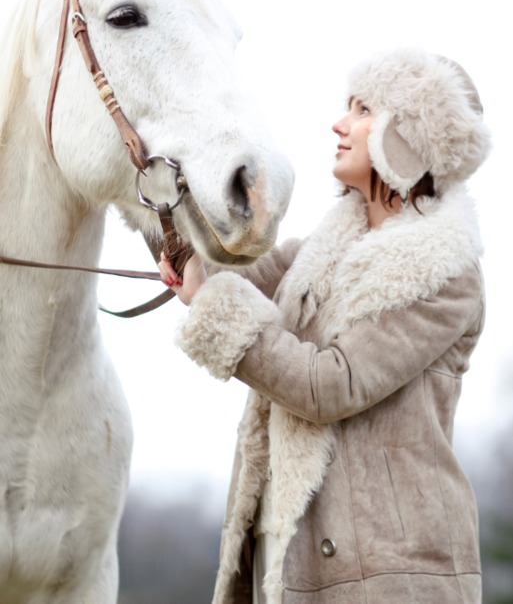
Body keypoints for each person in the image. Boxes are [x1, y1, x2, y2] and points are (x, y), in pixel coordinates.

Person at [159, 48, 490, 604]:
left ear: (406, 135)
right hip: (293, 564)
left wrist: (214, 304)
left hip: (392, 581)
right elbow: (240, 271)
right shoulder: (325, 249)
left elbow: (327, 386)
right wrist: (175, 218)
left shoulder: (445, 272)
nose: (340, 124)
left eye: (362, 111)